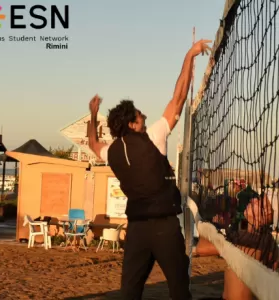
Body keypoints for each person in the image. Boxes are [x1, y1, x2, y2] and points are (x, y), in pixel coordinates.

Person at [86, 39, 212, 300]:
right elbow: (178, 97)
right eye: (140, 114)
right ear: (132, 124)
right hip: (164, 227)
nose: (144, 115)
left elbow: (92, 143)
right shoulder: (154, 136)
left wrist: (93, 113)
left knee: (130, 292)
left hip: (137, 231)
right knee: (179, 290)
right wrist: (190, 55)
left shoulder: (112, 151)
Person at [196, 187, 279, 300]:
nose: (253, 200)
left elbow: (201, 249)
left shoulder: (251, 242)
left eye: (259, 201)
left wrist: (209, 221)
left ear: (267, 214)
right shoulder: (266, 240)